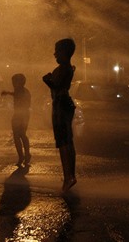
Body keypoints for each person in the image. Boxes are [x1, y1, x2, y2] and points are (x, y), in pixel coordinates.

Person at [42, 38, 77, 193]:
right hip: (63, 105)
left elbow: (57, 87)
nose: (54, 53)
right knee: (67, 141)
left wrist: (47, 80)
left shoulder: (64, 69)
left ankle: (69, 176)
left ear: (64, 52)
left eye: (57, 50)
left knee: (63, 142)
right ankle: (69, 175)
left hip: (61, 105)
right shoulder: (66, 68)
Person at [1, 73, 32, 167]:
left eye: (15, 82)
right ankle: (24, 155)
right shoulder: (20, 90)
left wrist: (8, 93)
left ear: (21, 82)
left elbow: (23, 102)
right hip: (21, 115)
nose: (13, 84)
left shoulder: (23, 91)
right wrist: (8, 93)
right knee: (19, 135)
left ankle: (25, 155)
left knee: (20, 135)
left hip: (22, 115)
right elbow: (16, 95)